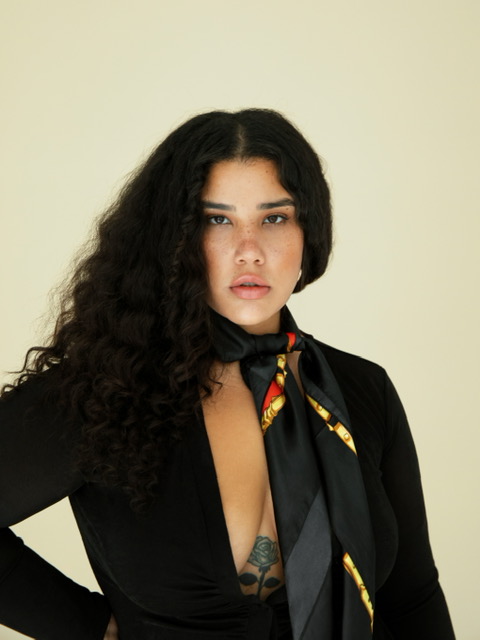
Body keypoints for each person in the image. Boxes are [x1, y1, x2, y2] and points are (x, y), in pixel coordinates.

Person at [0, 109, 455, 640]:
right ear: (175, 239)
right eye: (217, 220)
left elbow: (412, 595)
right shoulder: (105, 390)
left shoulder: (364, 389)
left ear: (309, 231)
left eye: (274, 218)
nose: (249, 251)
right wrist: (83, 623)